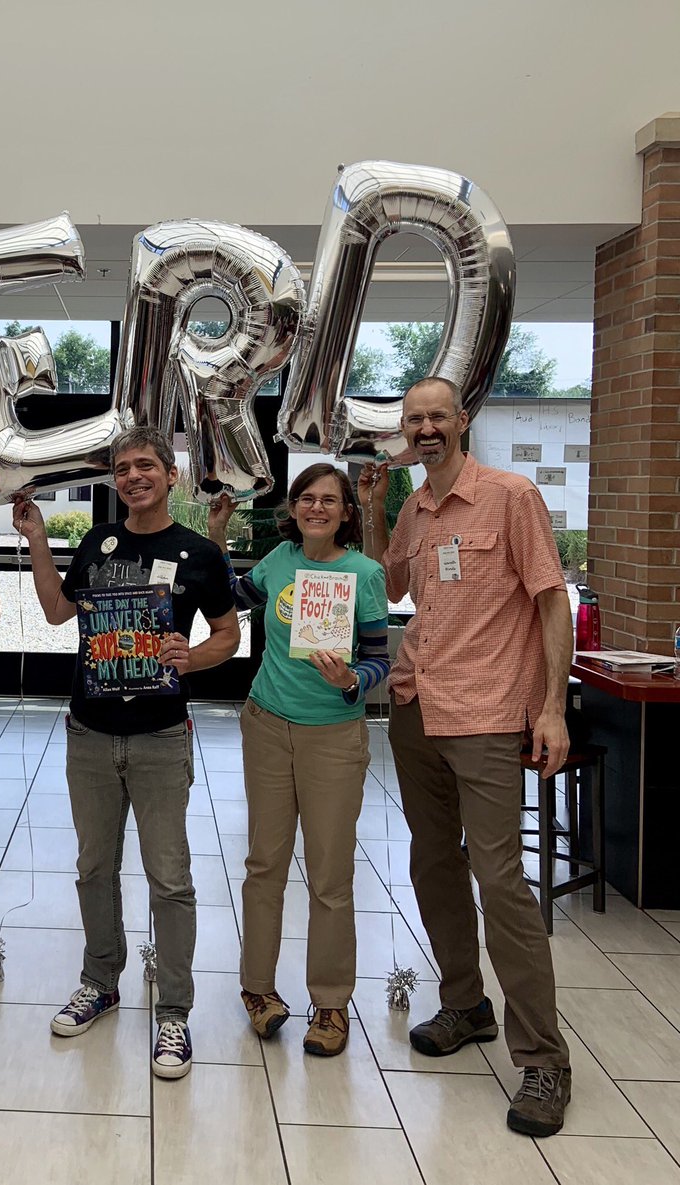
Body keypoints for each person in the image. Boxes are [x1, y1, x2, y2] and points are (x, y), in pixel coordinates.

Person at [358, 376, 573, 1136]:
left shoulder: (511, 496)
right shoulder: (415, 507)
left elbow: (552, 599)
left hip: (485, 714)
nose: (425, 428)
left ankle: (544, 1057)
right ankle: (465, 1002)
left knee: (500, 877)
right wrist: (370, 505)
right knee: (432, 863)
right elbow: (384, 581)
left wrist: (550, 706)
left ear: (462, 421)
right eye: (413, 419)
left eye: (436, 416)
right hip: (417, 708)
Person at [13, 427, 240, 1079]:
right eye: (122, 468)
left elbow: (227, 633)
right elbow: (58, 611)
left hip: (162, 736)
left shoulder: (198, 554)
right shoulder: (96, 542)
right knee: (93, 867)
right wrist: (34, 536)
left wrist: (190, 656)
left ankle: (173, 1011)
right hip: (89, 730)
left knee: (170, 877)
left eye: (146, 465)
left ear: (171, 476)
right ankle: (101, 981)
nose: (133, 475)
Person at [208, 464, 389, 1057]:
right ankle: (258, 991)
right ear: (294, 508)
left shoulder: (364, 574)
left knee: (331, 877)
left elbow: (378, 662)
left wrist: (350, 681)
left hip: (334, 736)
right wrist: (216, 535)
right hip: (266, 725)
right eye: (307, 499)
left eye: (329, 501)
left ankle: (331, 1003)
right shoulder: (279, 560)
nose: (317, 509)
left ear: (345, 512)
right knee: (264, 865)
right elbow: (224, 599)